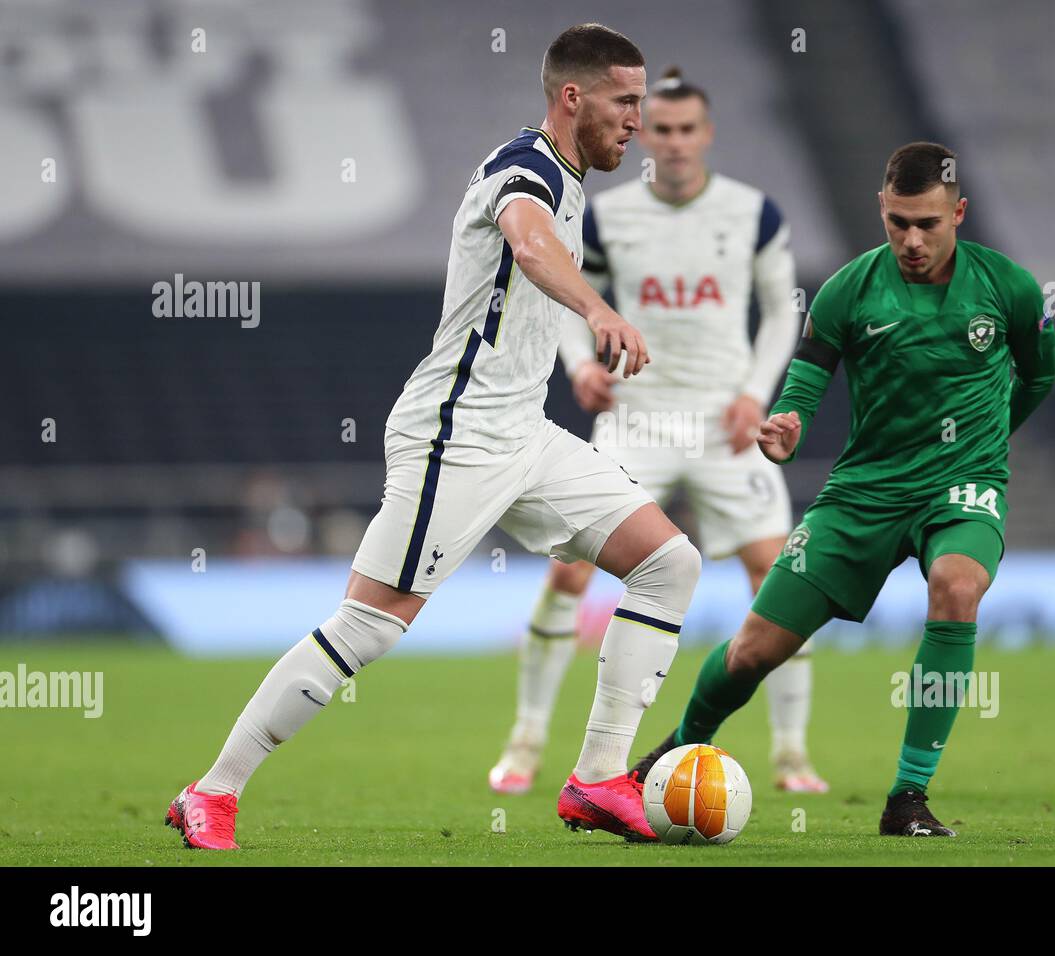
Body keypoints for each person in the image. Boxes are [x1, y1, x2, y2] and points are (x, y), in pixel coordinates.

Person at [166, 23, 697, 848]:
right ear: (572, 97)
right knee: (369, 626)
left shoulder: (570, 176)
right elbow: (527, 245)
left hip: (525, 432)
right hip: (457, 435)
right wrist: (596, 308)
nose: (637, 119)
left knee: (669, 563)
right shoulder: (522, 168)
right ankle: (213, 790)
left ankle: (596, 777)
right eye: (625, 102)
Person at [630, 142, 1055, 837]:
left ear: (959, 212)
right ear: (881, 211)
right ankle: (677, 745)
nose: (912, 240)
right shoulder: (848, 290)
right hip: (864, 491)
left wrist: (985, 448)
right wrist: (790, 422)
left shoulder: (1010, 288)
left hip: (963, 485)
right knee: (752, 651)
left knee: (956, 585)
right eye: (898, 223)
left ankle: (908, 798)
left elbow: (1037, 376)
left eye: (928, 223)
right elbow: (808, 373)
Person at [488, 67, 829, 798]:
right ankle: (527, 739)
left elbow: (781, 314)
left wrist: (751, 394)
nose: (673, 142)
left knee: (780, 580)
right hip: (636, 418)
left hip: (723, 424)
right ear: (647, 135)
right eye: (661, 129)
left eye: (686, 129)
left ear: (705, 134)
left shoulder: (755, 214)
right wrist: (579, 363)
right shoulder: (609, 215)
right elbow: (568, 290)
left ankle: (794, 754)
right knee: (569, 572)